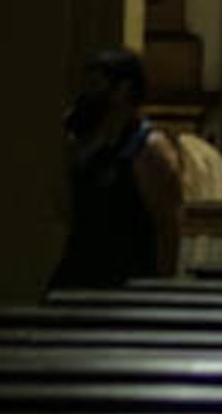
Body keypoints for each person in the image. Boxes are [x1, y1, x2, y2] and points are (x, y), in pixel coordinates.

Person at [53, 47, 185, 288]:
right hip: (80, 275)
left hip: (127, 281)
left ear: (122, 89)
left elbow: (167, 229)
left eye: (96, 84)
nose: (88, 93)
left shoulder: (150, 149)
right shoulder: (91, 143)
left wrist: (162, 289)